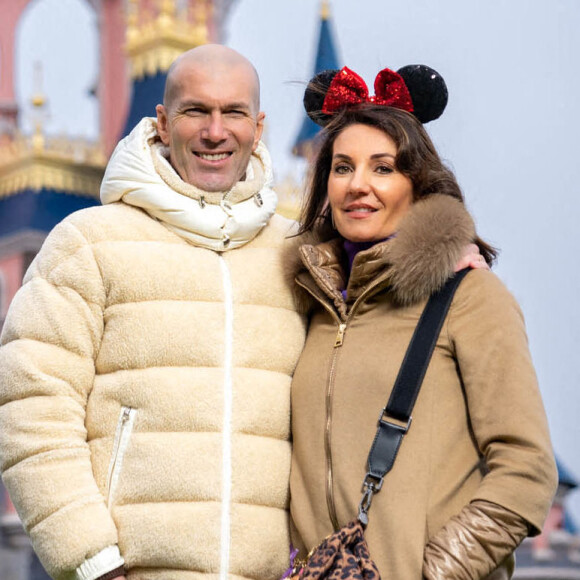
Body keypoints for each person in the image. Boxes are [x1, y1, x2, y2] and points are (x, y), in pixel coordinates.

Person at [0, 44, 308, 580]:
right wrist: (92, 562)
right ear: (163, 124)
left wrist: (450, 253)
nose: (215, 131)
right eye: (196, 111)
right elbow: (33, 409)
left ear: (257, 128)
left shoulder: (296, 254)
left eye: (232, 112)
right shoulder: (88, 243)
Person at [288, 65, 558, 580]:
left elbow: (526, 469)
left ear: (418, 183)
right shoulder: (311, 304)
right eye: (341, 167)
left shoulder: (469, 295)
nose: (358, 185)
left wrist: (435, 572)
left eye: (383, 168)